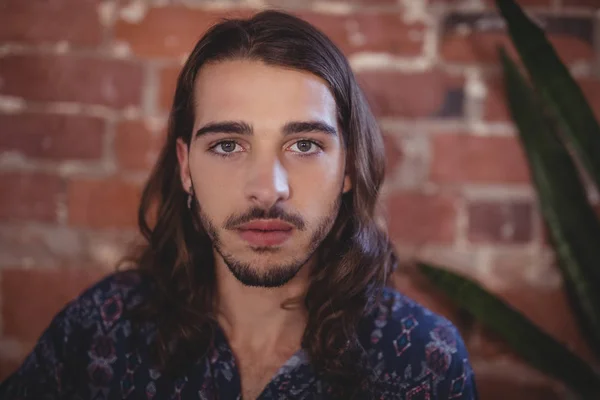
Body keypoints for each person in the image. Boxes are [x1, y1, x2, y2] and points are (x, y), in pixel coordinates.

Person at [0, 10, 478, 399]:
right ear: (186, 168)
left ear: (349, 167)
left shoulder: (421, 361)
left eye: (305, 145)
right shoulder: (101, 330)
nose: (268, 190)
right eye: (228, 145)